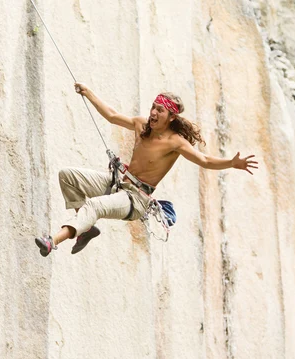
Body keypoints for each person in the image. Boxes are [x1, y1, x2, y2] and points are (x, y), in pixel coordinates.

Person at [35, 83, 258, 256]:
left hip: (136, 199)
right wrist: (88, 92)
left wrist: (231, 163)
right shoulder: (142, 125)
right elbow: (112, 115)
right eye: (153, 107)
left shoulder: (175, 142)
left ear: (171, 117)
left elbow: (205, 160)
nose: (153, 113)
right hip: (118, 184)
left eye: (160, 110)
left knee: (94, 206)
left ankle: (52, 241)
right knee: (67, 176)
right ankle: (85, 228)